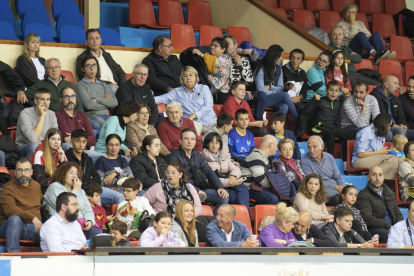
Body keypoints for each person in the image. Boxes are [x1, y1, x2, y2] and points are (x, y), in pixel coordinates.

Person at [168, 128, 243, 213]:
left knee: (224, 196)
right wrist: (195, 190)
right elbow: (176, 180)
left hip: (201, 188)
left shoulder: (196, 154)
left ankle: (215, 223)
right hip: (184, 190)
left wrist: (219, 187)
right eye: (186, 139)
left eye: (192, 139)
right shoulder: (174, 157)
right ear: (180, 141)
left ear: (195, 142)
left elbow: (209, 172)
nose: (189, 141)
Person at [65, 129, 124, 206]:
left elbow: (97, 178)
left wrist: (87, 180)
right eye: (77, 141)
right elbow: (73, 181)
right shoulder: (66, 158)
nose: (81, 145)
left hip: (94, 190)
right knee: (96, 201)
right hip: (78, 191)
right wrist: (89, 179)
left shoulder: (87, 158)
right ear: (71, 141)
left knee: (120, 197)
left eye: (84, 141)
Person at [43, 162, 100, 239]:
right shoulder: (54, 187)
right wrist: (76, 190)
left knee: (95, 231)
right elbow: (67, 208)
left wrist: (89, 220)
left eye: (76, 173)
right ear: (63, 174)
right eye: (71, 172)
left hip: (81, 224)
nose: (74, 176)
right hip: (63, 224)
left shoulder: (81, 191)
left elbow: (88, 209)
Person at [155, 66, 216, 135]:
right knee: (189, 136)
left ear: (196, 77)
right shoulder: (177, 92)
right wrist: (144, 99)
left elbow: (208, 105)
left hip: (209, 120)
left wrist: (194, 115)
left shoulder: (204, 88)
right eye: (185, 76)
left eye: (191, 75)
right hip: (192, 123)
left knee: (215, 139)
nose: (188, 78)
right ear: (182, 79)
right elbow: (162, 98)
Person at [0, 158, 42, 252]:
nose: (23, 173)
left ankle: (45, 259)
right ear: (15, 172)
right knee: (15, 219)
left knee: (51, 228)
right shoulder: (8, 187)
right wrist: (32, 217)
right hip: (11, 226)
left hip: (32, 227)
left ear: (31, 172)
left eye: (26, 170)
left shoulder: (36, 186)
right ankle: (13, 255)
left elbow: (40, 206)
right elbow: (9, 209)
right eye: (20, 170)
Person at [356, 166, 404, 243]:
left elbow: (398, 213)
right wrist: (387, 226)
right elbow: (367, 218)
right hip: (374, 228)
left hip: (392, 227)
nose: (377, 178)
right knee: (390, 235)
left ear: (383, 177)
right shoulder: (363, 195)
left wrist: (399, 227)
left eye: (380, 175)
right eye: (374, 175)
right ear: (369, 177)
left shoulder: (390, 193)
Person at [201, 132, 248, 211]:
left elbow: (235, 168)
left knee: (243, 188)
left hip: (228, 184)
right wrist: (229, 182)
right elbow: (209, 178)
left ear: (220, 145)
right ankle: (244, 214)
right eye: (211, 142)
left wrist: (233, 177)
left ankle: (245, 214)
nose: (214, 145)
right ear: (207, 144)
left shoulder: (224, 155)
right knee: (238, 197)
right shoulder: (202, 158)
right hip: (213, 187)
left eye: (217, 142)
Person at [253, 44, 298, 121]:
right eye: (280, 56)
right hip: (260, 98)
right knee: (284, 95)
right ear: (273, 56)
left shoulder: (279, 69)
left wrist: (271, 87)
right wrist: (276, 93)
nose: (282, 58)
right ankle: (297, 118)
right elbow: (260, 90)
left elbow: (280, 87)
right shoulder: (261, 68)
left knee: (284, 106)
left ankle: (277, 129)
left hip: (272, 97)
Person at [308, 80, 354, 155]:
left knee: (348, 135)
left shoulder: (338, 103)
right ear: (326, 91)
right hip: (316, 127)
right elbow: (307, 111)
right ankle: (329, 157)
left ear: (339, 93)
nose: (333, 93)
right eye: (331, 90)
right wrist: (314, 101)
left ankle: (345, 161)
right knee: (331, 133)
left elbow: (338, 117)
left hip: (330, 128)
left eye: (336, 91)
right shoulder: (320, 101)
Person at [351, 114, 401, 180]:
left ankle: (402, 184)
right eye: (389, 125)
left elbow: (379, 152)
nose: (389, 128)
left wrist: (384, 151)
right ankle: (377, 181)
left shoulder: (381, 132)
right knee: (392, 159)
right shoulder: (365, 132)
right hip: (359, 160)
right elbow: (360, 154)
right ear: (384, 124)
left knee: (400, 160)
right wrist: (379, 152)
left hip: (374, 158)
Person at [76, 55, 118, 131]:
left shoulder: (103, 84)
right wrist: (106, 103)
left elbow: (115, 103)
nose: (92, 68)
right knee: (105, 126)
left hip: (107, 115)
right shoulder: (80, 85)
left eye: (94, 65)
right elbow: (88, 105)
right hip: (93, 116)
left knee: (119, 124)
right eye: (88, 66)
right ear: (83, 69)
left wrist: (97, 100)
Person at [301, 136, 345, 205]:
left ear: (322, 147)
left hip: (335, 189)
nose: (311, 150)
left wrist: (344, 189)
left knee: (350, 195)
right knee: (337, 197)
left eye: (314, 147)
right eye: (309, 147)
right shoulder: (304, 161)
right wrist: (335, 187)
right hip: (319, 190)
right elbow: (312, 182)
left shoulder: (329, 157)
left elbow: (338, 176)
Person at [16, 88, 58, 158]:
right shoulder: (25, 113)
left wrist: (43, 143)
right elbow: (33, 138)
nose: (45, 102)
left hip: (46, 145)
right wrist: (42, 117)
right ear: (35, 101)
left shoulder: (52, 114)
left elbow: (55, 136)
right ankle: (31, 168)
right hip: (25, 147)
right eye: (42, 99)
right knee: (34, 146)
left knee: (66, 146)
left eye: (48, 99)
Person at [371, 75, 413, 141]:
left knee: (403, 131)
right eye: (395, 83)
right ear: (386, 85)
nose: (398, 87)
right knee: (397, 133)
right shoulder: (374, 97)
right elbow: (380, 116)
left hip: (397, 127)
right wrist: (393, 125)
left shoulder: (396, 99)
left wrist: (404, 125)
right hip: (382, 126)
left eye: (398, 84)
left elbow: (401, 117)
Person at [192, 37, 233, 104]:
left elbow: (217, 62)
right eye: (211, 45)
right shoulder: (210, 58)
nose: (212, 47)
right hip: (211, 91)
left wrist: (201, 54)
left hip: (221, 92)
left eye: (216, 46)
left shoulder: (226, 58)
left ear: (223, 49)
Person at [241, 135, 279, 204]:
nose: (277, 148)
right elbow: (260, 178)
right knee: (273, 199)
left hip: (258, 188)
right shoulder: (256, 156)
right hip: (249, 189)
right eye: (276, 146)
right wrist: (275, 187)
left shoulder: (264, 158)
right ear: (270, 145)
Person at [56, 87, 96, 151]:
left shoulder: (81, 115)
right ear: (61, 99)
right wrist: (84, 137)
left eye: (73, 96)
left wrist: (74, 137)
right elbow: (67, 139)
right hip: (71, 151)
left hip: (85, 152)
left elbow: (93, 140)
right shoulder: (58, 115)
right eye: (66, 97)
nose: (70, 99)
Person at [29, 128, 67, 192]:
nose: (56, 142)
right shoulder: (39, 154)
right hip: (43, 190)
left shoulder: (61, 153)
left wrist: (62, 161)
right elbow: (40, 181)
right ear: (47, 140)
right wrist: (59, 180)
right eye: (53, 139)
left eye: (59, 139)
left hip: (58, 187)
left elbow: (67, 176)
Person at [281, 48, 308, 113]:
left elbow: (304, 92)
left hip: (297, 100)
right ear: (289, 58)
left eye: (298, 59)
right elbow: (280, 88)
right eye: (293, 58)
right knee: (302, 109)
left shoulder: (302, 73)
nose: (295, 61)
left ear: (302, 61)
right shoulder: (282, 70)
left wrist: (297, 98)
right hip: (285, 99)